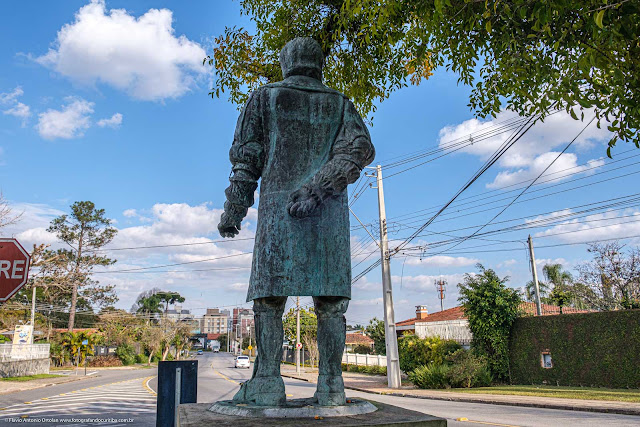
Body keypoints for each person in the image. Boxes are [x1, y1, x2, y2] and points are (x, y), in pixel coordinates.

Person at [218, 37, 375, 406]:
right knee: (332, 305)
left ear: (286, 61)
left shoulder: (264, 96)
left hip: (278, 212)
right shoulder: (340, 103)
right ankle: (332, 385)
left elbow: (246, 164)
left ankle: (269, 382)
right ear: (318, 64)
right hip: (329, 213)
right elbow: (359, 150)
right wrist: (319, 188)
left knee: (270, 302)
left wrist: (233, 213)